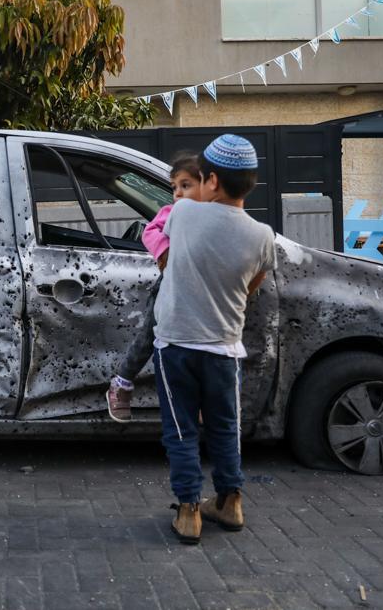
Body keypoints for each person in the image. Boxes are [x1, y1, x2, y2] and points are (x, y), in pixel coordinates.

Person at [153, 134, 275, 545]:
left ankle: (189, 511)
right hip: (224, 347)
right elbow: (252, 285)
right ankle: (230, 502)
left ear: (212, 181)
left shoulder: (184, 212)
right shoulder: (262, 235)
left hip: (175, 344)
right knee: (225, 427)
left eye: (200, 178)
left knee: (182, 430)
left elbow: (161, 244)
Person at [105, 154, 204, 422]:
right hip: (169, 285)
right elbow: (150, 231)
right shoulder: (171, 213)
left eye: (186, 186)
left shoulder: (212, 215)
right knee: (149, 337)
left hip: (200, 290)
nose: (178, 194)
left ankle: (200, 398)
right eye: (175, 188)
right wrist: (164, 251)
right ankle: (122, 382)